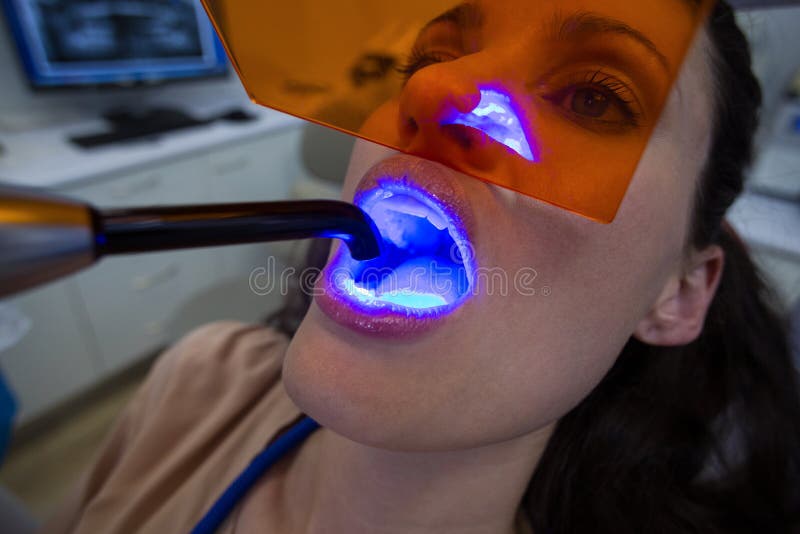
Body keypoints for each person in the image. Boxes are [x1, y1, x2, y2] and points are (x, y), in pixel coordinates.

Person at [43, 1, 800, 533]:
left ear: (679, 293)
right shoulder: (199, 383)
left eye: (595, 98)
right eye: (434, 56)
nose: (433, 91)